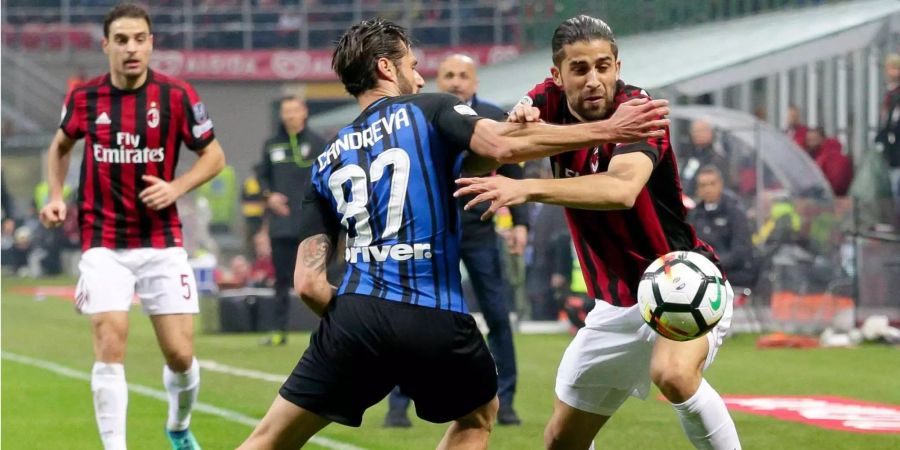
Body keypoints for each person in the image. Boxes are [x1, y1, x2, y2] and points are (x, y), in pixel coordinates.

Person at [237, 17, 670, 450]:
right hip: (431, 314)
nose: (421, 76)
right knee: (478, 416)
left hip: (353, 316)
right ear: (388, 69)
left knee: (269, 439)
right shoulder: (430, 109)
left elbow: (308, 284)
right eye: (414, 65)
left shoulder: (326, 159)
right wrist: (610, 129)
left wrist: (357, 323)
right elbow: (501, 146)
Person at [455, 15, 740, 450]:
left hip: (679, 281)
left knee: (674, 376)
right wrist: (519, 115)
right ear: (557, 75)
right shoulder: (544, 101)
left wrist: (526, 187)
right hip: (614, 303)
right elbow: (507, 136)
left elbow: (621, 189)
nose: (594, 80)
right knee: (560, 440)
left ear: (618, 66)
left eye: (604, 67)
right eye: (580, 69)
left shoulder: (641, 112)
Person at [38, 4, 225, 450]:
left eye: (139, 38)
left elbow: (214, 156)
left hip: (161, 241)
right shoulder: (84, 98)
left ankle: (178, 427)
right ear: (106, 46)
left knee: (180, 355)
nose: (131, 48)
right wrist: (55, 195)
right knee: (109, 338)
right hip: (103, 240)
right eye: (121, 40)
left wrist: (176, 187)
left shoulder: (177, 96)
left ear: (151, 43)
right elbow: (60, 145)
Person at [383, 53, 526, 428]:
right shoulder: (421, 116)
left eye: (464, 75)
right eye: (449, 75)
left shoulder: (494, 116)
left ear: (475, 83)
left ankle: (506, 400)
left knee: (497, 313)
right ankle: (398, 406)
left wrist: (521, 223)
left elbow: (513, 167)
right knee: (412, 314)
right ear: (437, 81)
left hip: (478, 228)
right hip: (428, 231)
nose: (456, 81)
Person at [256, 95, 326, 346]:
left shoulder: (319, 143)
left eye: (294, 110)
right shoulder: (271, 145)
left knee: (319, 278)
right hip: (282, 224)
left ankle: (329, 329)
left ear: (304, 112)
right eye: (286, 111)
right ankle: (278, 331)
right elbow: (261, 177)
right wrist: (268, 196)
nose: (290, 115)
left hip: (311, 223)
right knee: (282, 280)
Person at [689, 165, 758, 287]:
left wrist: (711, 264)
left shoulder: (735, 212)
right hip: (701, 273)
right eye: (703, 185)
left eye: (712, 183)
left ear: (720, 184)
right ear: (698, 189)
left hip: (732, 273)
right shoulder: (694, 214)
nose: (708, 189)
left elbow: (740, 252)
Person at [678, 119, 729, 198]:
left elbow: (722, 187)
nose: (697, 134)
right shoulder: (690, 155)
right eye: (694, 131)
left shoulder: (717, 158)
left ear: (711, 133)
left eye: (701, 130)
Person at [803, 127, 853, 196]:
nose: (810, 143)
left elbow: (836, 185)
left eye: (814, 139)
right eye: (808, 140)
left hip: (832, 200)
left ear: (822, 139)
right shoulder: (819, 156)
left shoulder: (832, 157)